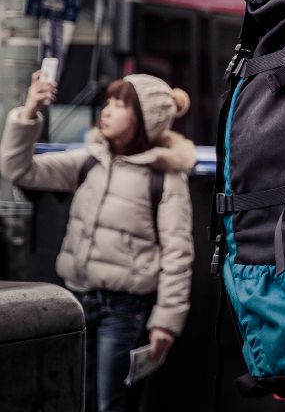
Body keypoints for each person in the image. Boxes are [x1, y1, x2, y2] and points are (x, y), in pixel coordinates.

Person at [2, 72, 195, 412]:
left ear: (146, 119)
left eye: (120, 104)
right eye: (108, 102)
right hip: (73, 301)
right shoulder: (90, 159)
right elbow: (19, 170)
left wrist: (166, 321)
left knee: (110, 404)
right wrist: (29, 111)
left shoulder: (165, 177)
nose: (107, 110)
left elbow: (178, 254)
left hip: (124, 311)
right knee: (71, 397)